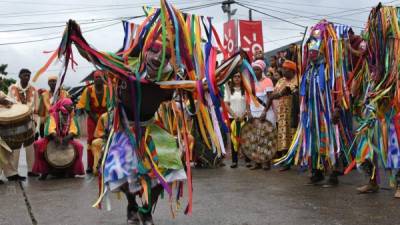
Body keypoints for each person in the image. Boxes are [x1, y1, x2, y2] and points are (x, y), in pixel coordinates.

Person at [32, 98, 84, 180]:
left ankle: (72, 171)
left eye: (72, 105)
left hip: (66, 139)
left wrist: (68, 137)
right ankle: (44, 172)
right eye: (70, 105)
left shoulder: (71, 116)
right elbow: (50, 128)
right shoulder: (53, 115)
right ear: (63, 106)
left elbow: (73, 129)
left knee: (79, 147)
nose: (72, 106)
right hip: (52, 138)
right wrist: (55, 137)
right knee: (37, 145)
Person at [6, 68, 39, 180]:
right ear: (19, 76)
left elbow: (36, 109)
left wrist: (35, 124)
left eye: (29, 75)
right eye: (25, 75)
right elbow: (8, 105)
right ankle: (13, 173)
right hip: (16, 124)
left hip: (30, 122)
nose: (27, 77)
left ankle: (31, 170)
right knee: (15, 147)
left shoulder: (34, 90)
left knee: (30, 147)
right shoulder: (12, 88)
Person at [76, 70, 108, 174]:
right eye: (96, 77)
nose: (98, 79)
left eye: (100, 77)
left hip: (105, 118)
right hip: (92, 117)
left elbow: (111, 105)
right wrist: (96, 119)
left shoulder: (108, 89)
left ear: (103, 78)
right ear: (93, 79)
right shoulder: (88, 90)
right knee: (91, 140)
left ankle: (105, 163)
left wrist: (103, 119)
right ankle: (90, 165)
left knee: (105, 139)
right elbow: (86, 107)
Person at [269, 60, 299, 171]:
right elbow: (272, 96)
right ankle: (286, 162)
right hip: (282, 114)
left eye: (285, 69)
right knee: (283, 137)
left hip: (295, 113)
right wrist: (281, 93)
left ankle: (297, 159)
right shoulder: (281, 81)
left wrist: (293, 92)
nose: (283, 70)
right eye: (283, 68)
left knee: (294, 136)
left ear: (291, 70)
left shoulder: (298, 79)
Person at [246, 59, 275, 170]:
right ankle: (257, 162)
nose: (255, 71)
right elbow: (248, 98)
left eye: (257, 69)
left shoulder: (267, 81)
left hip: (265, 112)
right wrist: (248, 112)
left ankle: (266, 162)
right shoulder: (250, 82)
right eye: (254, 70)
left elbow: (270, 98)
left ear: (262, 70)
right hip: (254, 113)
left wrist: (264, 112)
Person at [224, 72, 250, 168]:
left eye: (239, 76)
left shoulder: (246, 90)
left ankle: (247, 160)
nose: (237, 78)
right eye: (235, 76)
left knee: (245, 139)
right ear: (232, 78)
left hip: (243, 118)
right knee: (234, 139)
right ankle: (234, 161)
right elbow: (226, 104)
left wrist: (244, 114)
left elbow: (248, 104)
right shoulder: (228, 89)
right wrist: (234, 115)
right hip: (233, 119)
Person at [0, 75, 15, 184]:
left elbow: (11, 104)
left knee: (5, 152)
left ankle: (10, 173)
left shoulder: (1, 93)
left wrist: (8, 103)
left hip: (3, 126)